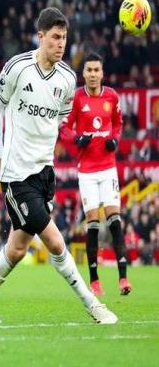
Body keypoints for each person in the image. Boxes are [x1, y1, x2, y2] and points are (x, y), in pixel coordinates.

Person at [0, 8, 117, 324]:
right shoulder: (18, 67)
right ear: (41, 36)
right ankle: (93, 305)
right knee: (55, 242)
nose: (61, 44)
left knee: (17, 249)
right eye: (55, 37)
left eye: (64, 38)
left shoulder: (67, 78)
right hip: (16, 174)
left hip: (45, 172)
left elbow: (60, 118)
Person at [60, 52, 131, 296]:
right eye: (89, 70)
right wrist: (77, 139)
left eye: (96, 70)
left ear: (102, 73)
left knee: (114, 220)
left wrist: (115, 140)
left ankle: (123, 278)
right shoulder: (77, 98)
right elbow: (64, 128)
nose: (92, 74)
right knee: (92, 221)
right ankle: (94, 280)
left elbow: (118, 124)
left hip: (108, 167)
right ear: (84, 73)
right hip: (87, 171)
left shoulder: (112, 96)